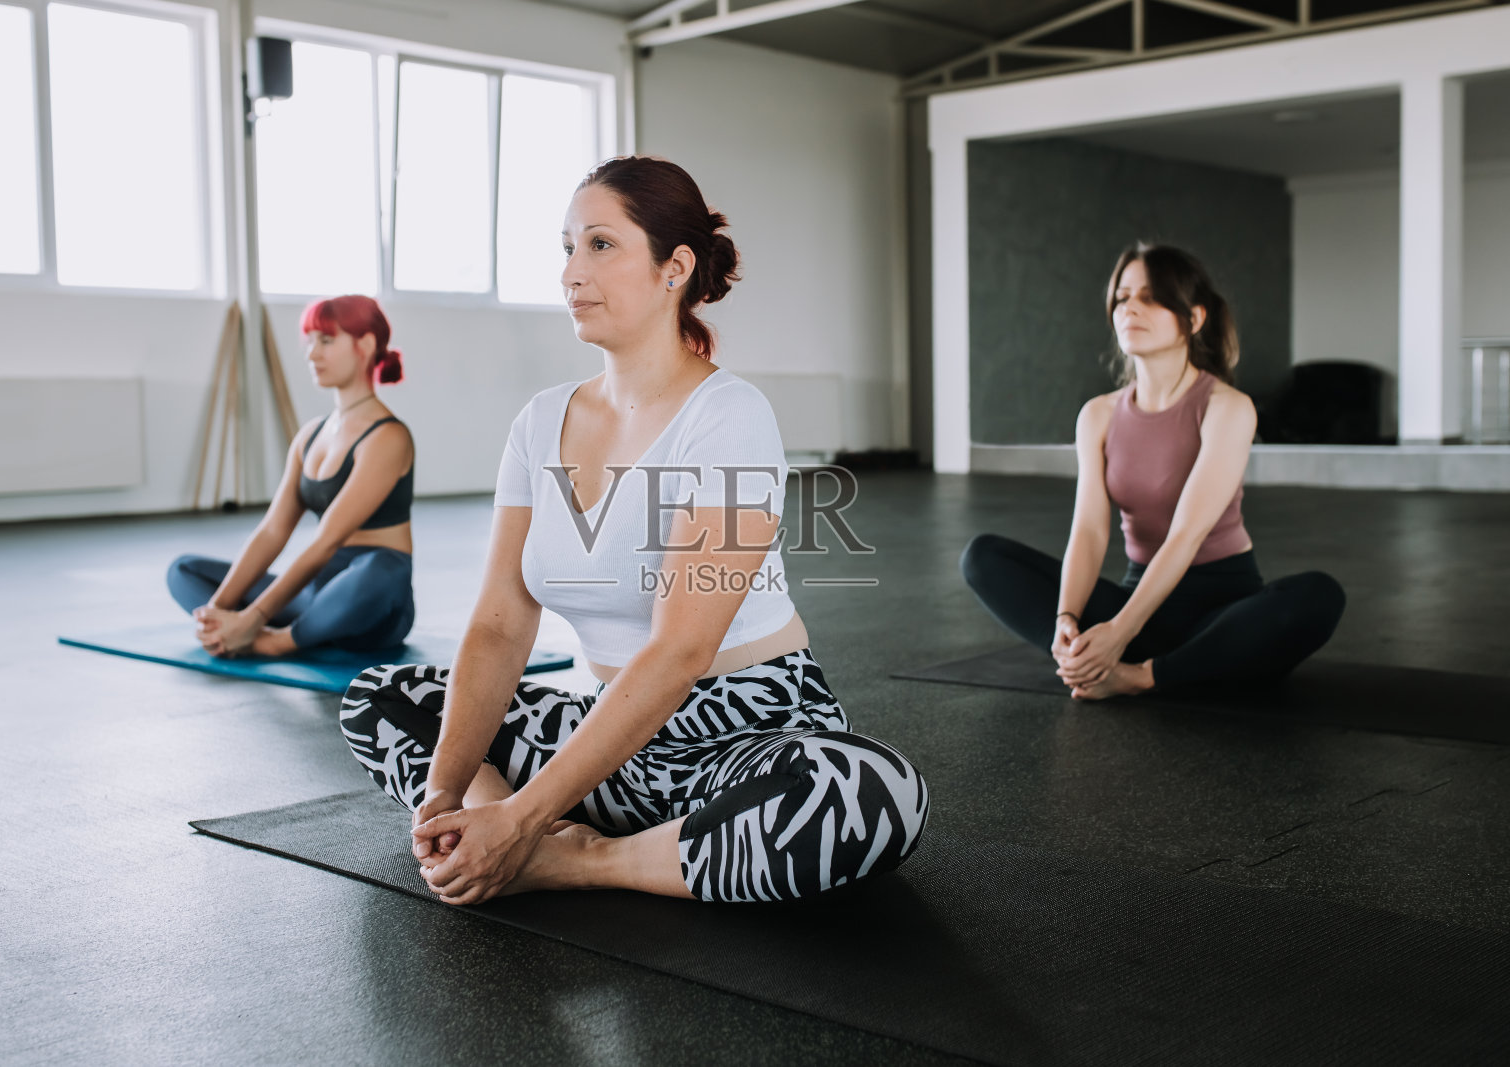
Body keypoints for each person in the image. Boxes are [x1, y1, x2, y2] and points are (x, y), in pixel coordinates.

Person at [339, 156, 928, 905]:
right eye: (566, 248)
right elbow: (497, 625)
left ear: (674, 267)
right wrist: (448, 796)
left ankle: (577, 859)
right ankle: (497, 833)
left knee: (874, 795)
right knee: (379, 697)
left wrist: (525, 818)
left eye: (600, 245)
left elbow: (681, 650)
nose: (571, 273)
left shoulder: (728, 415)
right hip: (612, 736)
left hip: (747, 733)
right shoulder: (539, 422)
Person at [961, 242, 1345, 700]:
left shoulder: (1227, 407)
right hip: (1137, 601)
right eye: (1123, 297)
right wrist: (1066, 619)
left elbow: (1187, 534)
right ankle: (1110, 660)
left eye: (1150, 296)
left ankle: (1141, 676)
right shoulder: (1098, 415)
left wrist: (1118, 635)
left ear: (1195, 317)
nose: (1130, 308)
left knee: (1319, 596)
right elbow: (1088, 530)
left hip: (1221, 613)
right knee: (983, 558)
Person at [166, 295, 415, 657]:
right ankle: (243, 628)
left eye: (326, 341)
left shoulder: (388, 437)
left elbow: (327, 540)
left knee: (382, 570)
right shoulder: (310, 436)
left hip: (370, 599)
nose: (312, 354)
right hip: (316, 593)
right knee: (184, 570)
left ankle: (272, 641)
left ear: (366, 344)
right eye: (310, 341)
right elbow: (272, 531)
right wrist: (216, 609)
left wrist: (254, 617)